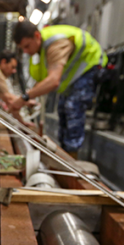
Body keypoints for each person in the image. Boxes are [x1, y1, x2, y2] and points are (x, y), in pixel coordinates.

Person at [13, 21, 107, 158]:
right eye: (23, 49)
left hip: (89, 68)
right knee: (62, 110)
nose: (26, 51)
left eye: (27, 46)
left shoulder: (55, 44)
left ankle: (72, 159)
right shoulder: (41, 52)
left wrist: (23, 99)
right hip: (73, 79)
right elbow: (42, 82)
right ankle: (65, 155)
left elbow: (53, 81)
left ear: (37, 36)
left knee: (72, 108)